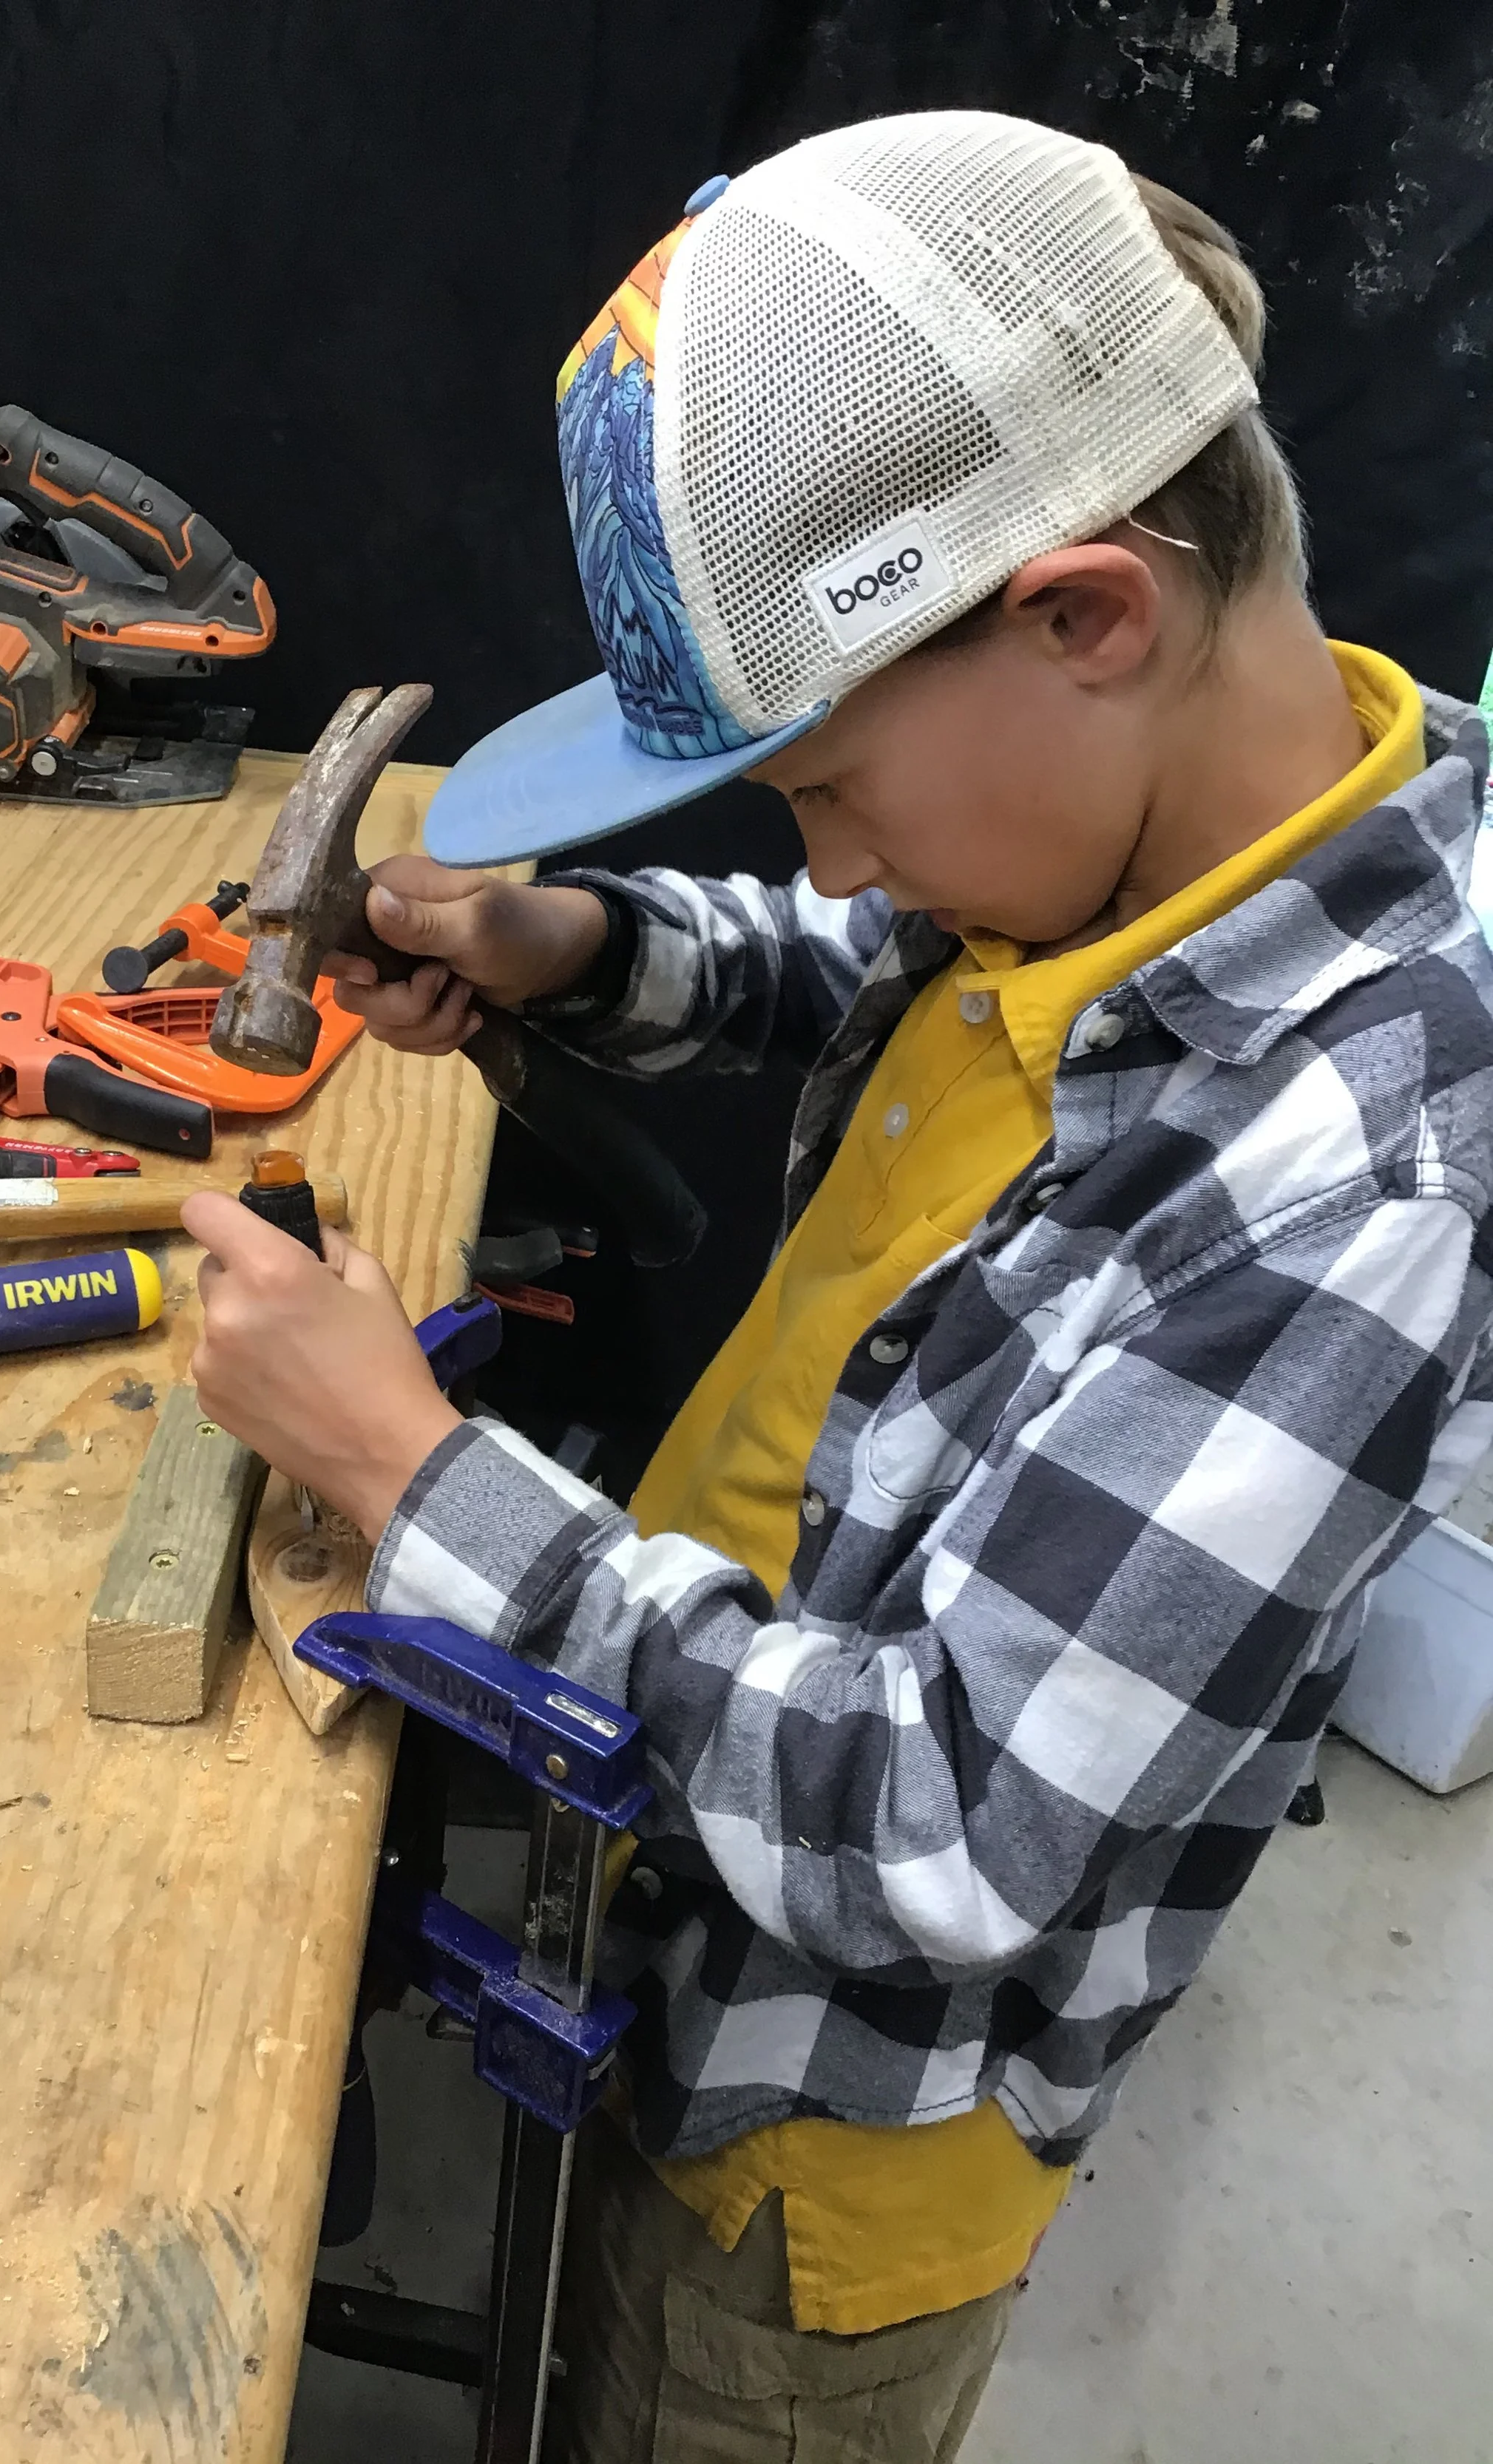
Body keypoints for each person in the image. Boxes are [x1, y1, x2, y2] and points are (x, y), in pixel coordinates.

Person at [183, 112, 1493, 2463]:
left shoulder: (1369, 1176)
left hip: (831, 2138)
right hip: (683, 1855)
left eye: (818, 788)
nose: (822, 855)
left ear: (1083, 613)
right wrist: (575, 947)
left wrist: (407, 1465)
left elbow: (952, 1831)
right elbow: (894, 962)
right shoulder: (1142, 833)